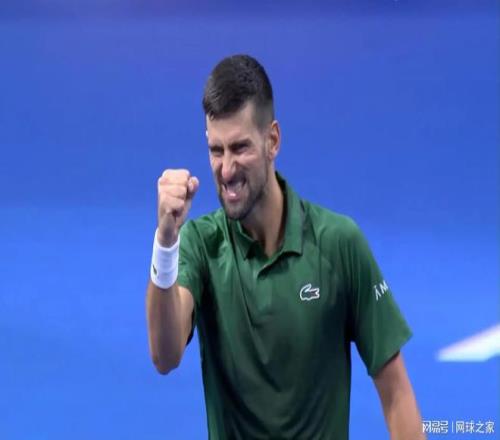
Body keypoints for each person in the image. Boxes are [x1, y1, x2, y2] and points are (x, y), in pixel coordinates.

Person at [146, 54, 425, 439]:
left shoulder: (339, 244)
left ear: (272, 141)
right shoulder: (200, 244)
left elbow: (396, 394)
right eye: (216, 150)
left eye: (240, 148)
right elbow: (165, 356)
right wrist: (165, 242)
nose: (226, 170)